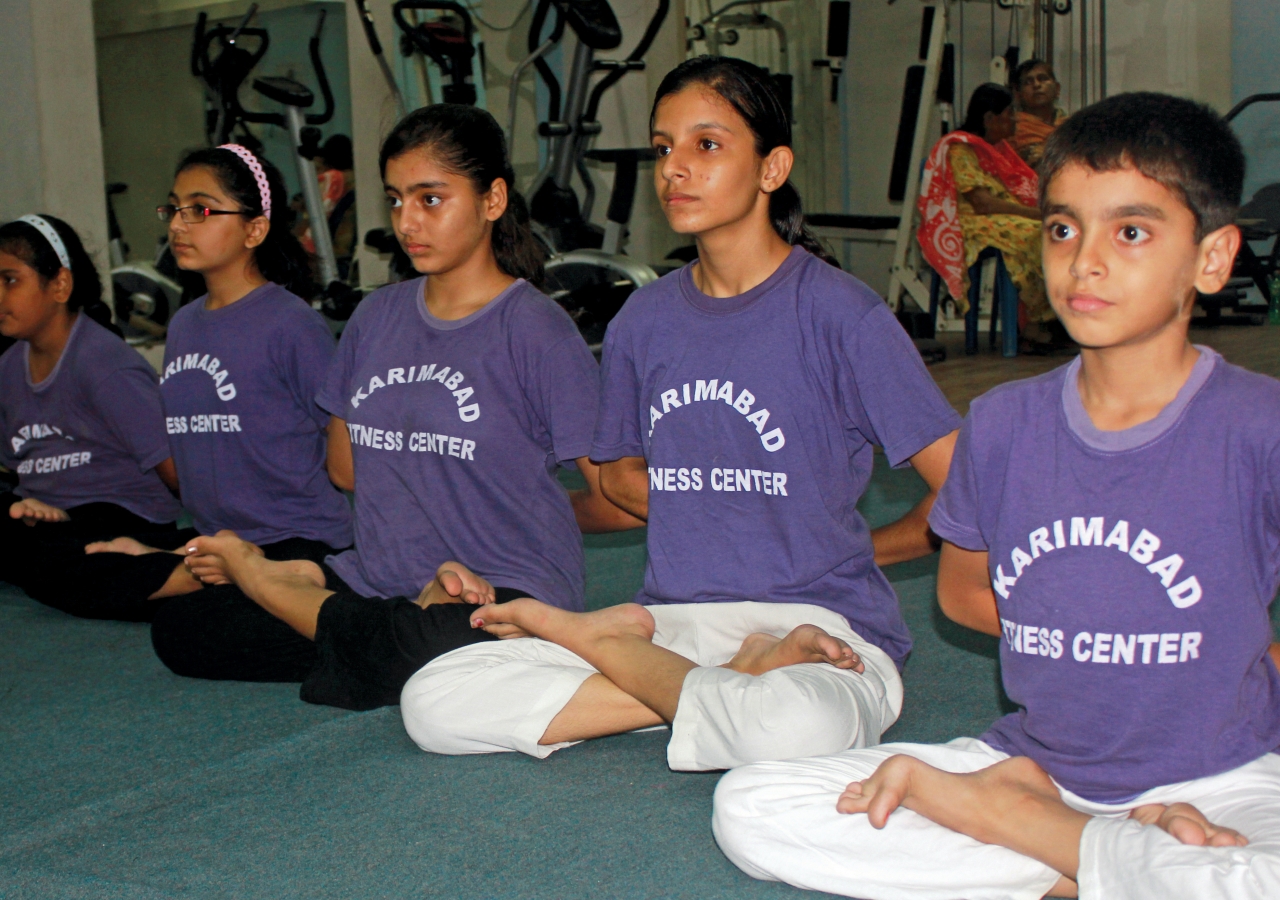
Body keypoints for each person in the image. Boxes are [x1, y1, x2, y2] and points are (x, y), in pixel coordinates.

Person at [713, 92, 1280, 899]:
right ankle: (1111, 858)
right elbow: (964, 593)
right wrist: (1081, 639)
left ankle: (1053, 848)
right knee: (752, 805)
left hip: (1220, 777)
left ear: (1213, 258)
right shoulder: (1006, 423)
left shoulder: (1258, 428)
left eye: (1130, 231)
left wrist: (1203, 669)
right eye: (1060, 228)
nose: (1085, 260)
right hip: (1030, 765)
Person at [398, 57, 960, 772]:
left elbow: (965, 495)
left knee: (794, 727)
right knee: (434, 700)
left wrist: (848, 550)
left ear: (772, 167)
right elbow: (619, 480)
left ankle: (667, 679)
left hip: (820, 627)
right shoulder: (645, 320)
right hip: (674, 625)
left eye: (708, 145)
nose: (675, 169)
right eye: (664, 148)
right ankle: (720, 680)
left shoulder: (844, 316)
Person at [154, 104, 637, 710]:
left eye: (431, 199)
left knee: (445, 638)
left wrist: (521, 501)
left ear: (492, 200)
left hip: (500, 589)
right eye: (395, 199)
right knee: (185, 629)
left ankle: (282, 588)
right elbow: (345, 470)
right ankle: (375, 639)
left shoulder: (537, 330)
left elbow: (618, 503)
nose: (408, 221)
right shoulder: (375, 317)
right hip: (378, 586)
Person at [81, 144, 352, 622]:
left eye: (200, 210)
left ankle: (195, 573)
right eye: (175, 208)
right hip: (219, 540)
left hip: (296, 539)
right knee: (86, 572)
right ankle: (186, 566)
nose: (178, 225)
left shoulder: (291, 324)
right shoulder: (184, 325)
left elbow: (345, 442)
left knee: (185, 633)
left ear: (255, 229)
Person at [0, 214, 181, 614]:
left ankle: (172, 567)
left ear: (60, 285)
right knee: (30, 543)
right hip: (42, 512)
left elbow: (176, 470)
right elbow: (13, 463)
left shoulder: (105, 365)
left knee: (54, 559)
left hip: (119, 513)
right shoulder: (9, 367)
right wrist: (30, 506)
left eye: (10, 280)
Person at [918, 83, 1059, 350]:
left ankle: (1046, 322)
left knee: (1055, 230)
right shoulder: (960, 149)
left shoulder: (996, 150)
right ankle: (1033, 324)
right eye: (1009, 114)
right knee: (1034, 234)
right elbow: (982, 203)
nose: (1015, 120)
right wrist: (1033, 213)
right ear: (989, 119)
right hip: (972, 222)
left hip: (997, 217)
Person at [1010, 59, 1067, 167]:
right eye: (1028, 82)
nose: (1036, 85)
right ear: (1018, 95)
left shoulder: (1072, 125)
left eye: (1043, 79)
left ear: (1057, 89)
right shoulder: (1011, 128)